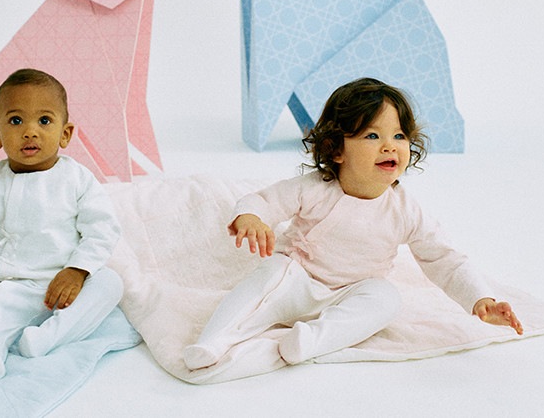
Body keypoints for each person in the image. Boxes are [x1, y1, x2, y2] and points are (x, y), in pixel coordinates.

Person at [184, 77, 523, 370]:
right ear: (337, 150)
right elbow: (264, 201)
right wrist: (251, 217)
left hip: (350, 293)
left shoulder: (405, 210)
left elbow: (445, 259)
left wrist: (480, 298)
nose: (389, 146)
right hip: (296, 280)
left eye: (399, 135)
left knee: (386, 298)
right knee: (269, 275)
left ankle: (309, 341)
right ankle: (213, 341)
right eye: (372, 136)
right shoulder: (315, 189)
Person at [0, 68, 123, 382]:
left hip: (69, 282)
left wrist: (78, 270)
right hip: (15, 285)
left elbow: (102, 229)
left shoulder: (78, 179)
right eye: (16, 120)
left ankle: (46, 339)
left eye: (44, 120)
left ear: (65, 133)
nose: (30, 131)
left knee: (110, 283)